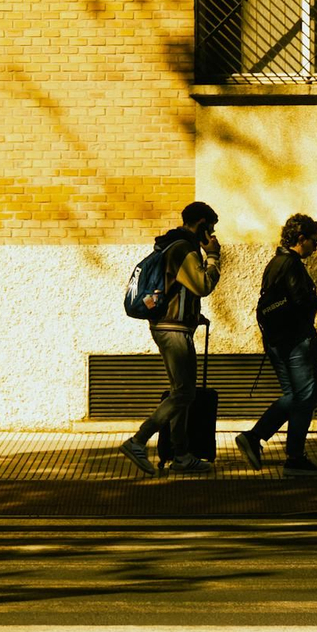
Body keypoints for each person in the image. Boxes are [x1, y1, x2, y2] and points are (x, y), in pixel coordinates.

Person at [119, 201, 222, 475]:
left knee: (182, 393)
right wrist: (213, 258)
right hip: (172, 330)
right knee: (184, 392)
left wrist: (192, 314)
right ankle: (138, 441)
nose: (212, 235)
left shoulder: (172, 245)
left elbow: (178, 288)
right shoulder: (184, 248)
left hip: (172, 326)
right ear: (201, 224)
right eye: (211, 228)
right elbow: (202, 285)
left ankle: (181, 454)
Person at [236, 213, 317, 478]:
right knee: (305, 398)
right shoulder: (292, 264)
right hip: (296, 342)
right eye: (314, 241)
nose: (316, 246)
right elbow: (299, 302)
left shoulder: (275, 263)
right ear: (301, 239)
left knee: (293, 395)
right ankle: (294, 458)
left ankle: (255, 437)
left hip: (275, 341)